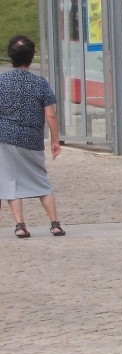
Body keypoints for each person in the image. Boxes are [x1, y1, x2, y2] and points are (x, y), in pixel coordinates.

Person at [0, 35, 64, 238]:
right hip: (32, 139)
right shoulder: (40, 83)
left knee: (11, 182)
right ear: (31, 57)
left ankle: (20, 225)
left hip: (5, 137)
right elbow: (50, 115)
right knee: (41, 181)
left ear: (11, 57)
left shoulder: (2, 82)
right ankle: (55, 224)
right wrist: (55, 140)